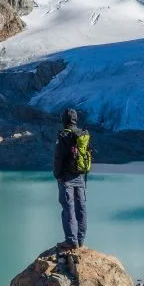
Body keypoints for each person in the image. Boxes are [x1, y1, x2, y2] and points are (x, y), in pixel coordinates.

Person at [52, 107, 92, 251]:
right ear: (75, 120)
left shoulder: (64, 136)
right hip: (80, 175)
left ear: (64, 120)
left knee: (68, 208)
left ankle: (71, 241)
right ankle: (80, 240)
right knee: (81, 207)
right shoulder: (82, 135)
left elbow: (58, 158)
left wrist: (57, 174)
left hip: (66, 178)